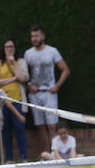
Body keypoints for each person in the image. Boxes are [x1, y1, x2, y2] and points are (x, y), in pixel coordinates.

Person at [24, 24, 70, 156]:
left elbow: (65, 70)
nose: (34, 39)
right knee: (40, 126)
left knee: (51, 125)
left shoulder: (52, 51)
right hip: (35, 95)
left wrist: (58, 85)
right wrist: (28, 85)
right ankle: (46, 155)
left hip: (49, 94)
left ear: (43, 36)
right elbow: (24, 74)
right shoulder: (28, 53)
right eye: (32, 36)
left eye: (37, 36)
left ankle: (56, 154)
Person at [0, 38, 29, 163]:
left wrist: (15, 64)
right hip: (2, 101)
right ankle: (8, 158)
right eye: (7, 47)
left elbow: (23, 78)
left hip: (17, 100)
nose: (10, 49)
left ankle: (24, 157)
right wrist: (13, 79)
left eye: (12, 46)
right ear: (3, 49)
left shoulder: (21, 61)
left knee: (20, 128)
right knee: (5, 130)